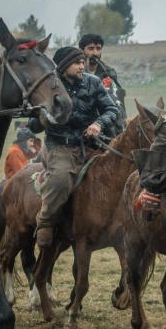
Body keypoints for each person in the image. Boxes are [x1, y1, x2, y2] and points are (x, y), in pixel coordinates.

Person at [28, 46, 120, 247]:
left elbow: (112, 110)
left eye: (82, 62)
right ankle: (45, 223)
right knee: (60, 181)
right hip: (61, 148)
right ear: (64, 66)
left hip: (92, 145)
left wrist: (99, 123)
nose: (82, 65)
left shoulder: (93, 82)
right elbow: (33, 126)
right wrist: (43, 116)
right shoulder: (49, 87)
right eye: (77, 63)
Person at [79, 34, 127, 136]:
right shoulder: (76, 73)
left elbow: (118, 101)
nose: (95, 53)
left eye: (98, 48)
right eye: (91, 49)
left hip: (107, 124)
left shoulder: (109, 73)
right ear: (82, 50)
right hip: (83, 127)